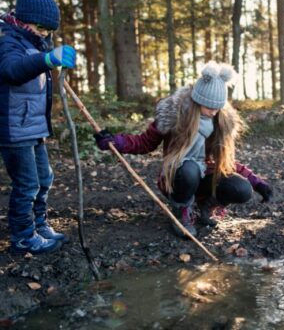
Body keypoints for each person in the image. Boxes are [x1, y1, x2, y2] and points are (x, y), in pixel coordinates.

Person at [93, 62, 273, 238]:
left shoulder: (220, 122)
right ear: (199, 100)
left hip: (204, 177)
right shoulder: (175, 116)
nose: (214, 112)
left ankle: (206, 206)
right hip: (178, 177)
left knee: (242, 189)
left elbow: (225, 164)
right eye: (210, 107)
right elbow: (144, 142)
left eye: (218, 108)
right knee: (189, 169)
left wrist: (256, 182)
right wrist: (115, 141)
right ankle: (182, 210)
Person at [0, 0, 76, 254]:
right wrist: (47, 58)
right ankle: (23, 237)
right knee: (27, 183)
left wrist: (49, 54)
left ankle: (39, 225)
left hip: (30, 125)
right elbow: (12, 71)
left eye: (49, 30)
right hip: (12, 127)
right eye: (41, 27)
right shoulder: (4, 41)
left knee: (44, 178)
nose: (45, 33)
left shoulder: (31, 40)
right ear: (24, 18)